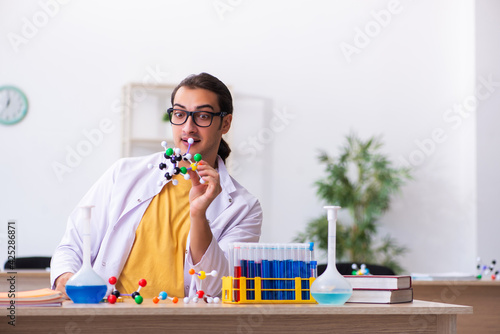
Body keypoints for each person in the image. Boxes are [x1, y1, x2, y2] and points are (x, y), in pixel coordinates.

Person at [51, 73, 263, 299]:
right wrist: (66, 277)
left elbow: (215, 288)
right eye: (180, 114)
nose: (188, 128)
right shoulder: (124, 174)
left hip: (183, 323)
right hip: (111, 317)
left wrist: (198, 214)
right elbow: (72, 246)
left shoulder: (244, 208)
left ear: (226, 123)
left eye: (202, 116)